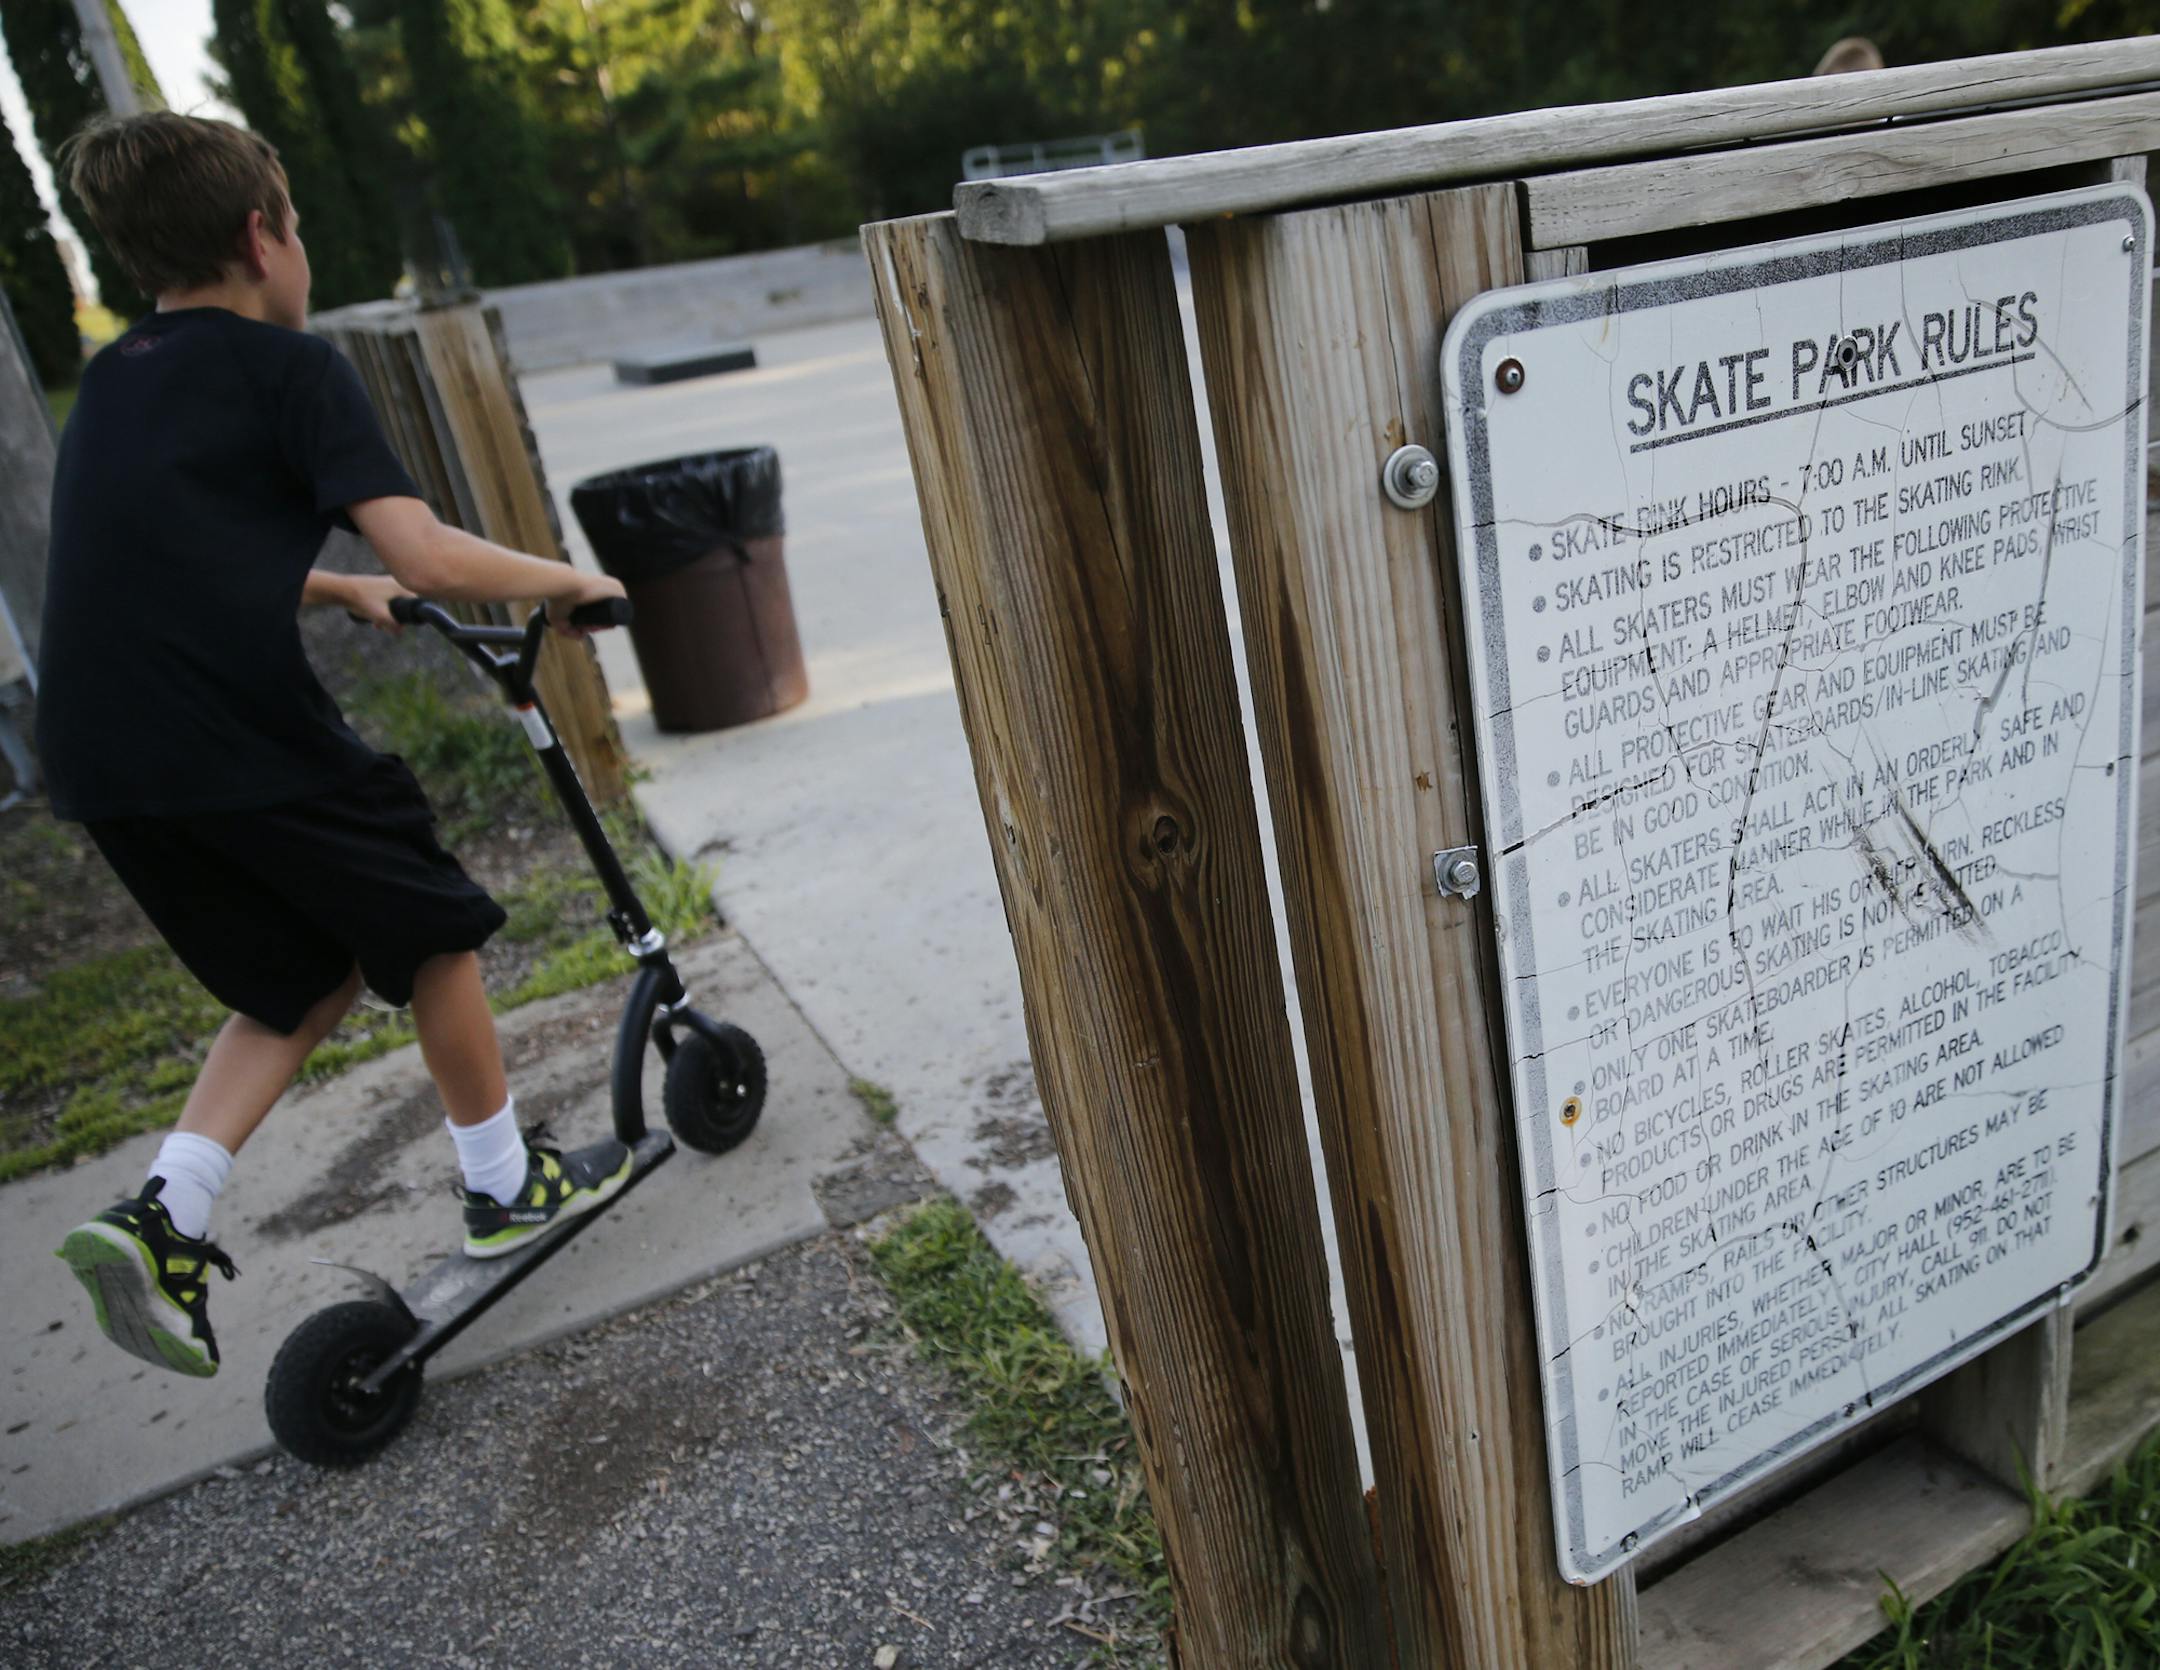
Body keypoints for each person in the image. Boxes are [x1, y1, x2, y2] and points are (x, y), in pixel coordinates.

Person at [42, 110, 631, 1379]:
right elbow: (422, 548)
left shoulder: (120, 374)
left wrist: (328, 588)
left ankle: (161, 1217)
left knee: (297, 978)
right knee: (430, 921)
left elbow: (158, 555)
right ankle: (504, 1180)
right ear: (264, 238)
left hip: (98, 759)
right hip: (227, 734)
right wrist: (565, 582)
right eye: (296, 228)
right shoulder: (291, 371)